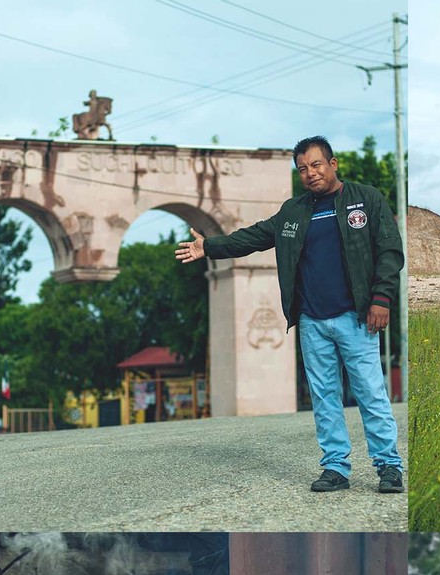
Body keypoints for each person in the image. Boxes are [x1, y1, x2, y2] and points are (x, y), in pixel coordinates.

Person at [173, 136, 404, 494]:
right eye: (302, 169)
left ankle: (388, 466)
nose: (310, 174)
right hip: (312, 320)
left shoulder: (366, 199)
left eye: (316, 165)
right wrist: (210, 246)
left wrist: (381, 298)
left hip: (356, 317)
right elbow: (252, 237)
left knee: (371, 393)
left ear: (333, 164)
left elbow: (389, 250)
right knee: (325, 397)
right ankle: (335, 468)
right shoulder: (293, 213)